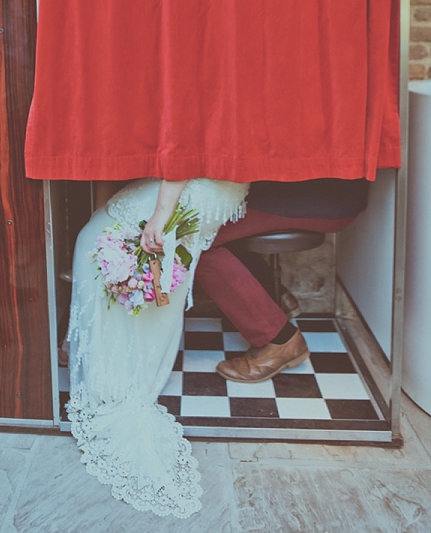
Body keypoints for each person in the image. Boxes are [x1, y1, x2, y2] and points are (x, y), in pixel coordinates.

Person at [66, 176, 249, 518]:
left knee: (94, 239)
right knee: (138, 251)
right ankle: (103, 352)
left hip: (193, 183)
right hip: (225, 187)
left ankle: (115, 373)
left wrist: (161, 214)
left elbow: (183, 146)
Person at [194, 179, 369, 384]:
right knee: (208, 223)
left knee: (196, 241)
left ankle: (279, 339)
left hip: (313, 198)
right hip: (318, 194)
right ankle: (275, 298)